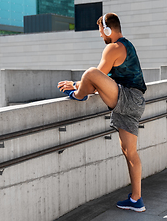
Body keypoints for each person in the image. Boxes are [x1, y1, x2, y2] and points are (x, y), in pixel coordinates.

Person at [57, 13, 147, 212]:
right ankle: (136, 200)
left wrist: (78, 88)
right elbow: (98, 84)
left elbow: (96, 78)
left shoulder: (113, 47)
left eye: (101, 32)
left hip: (128, 98)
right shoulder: (127, 45)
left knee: (90, 72)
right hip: (134, 102)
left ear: (108, 30)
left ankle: (78, 96)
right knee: (129, 152)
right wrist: (79, 84)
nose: (100, 36)